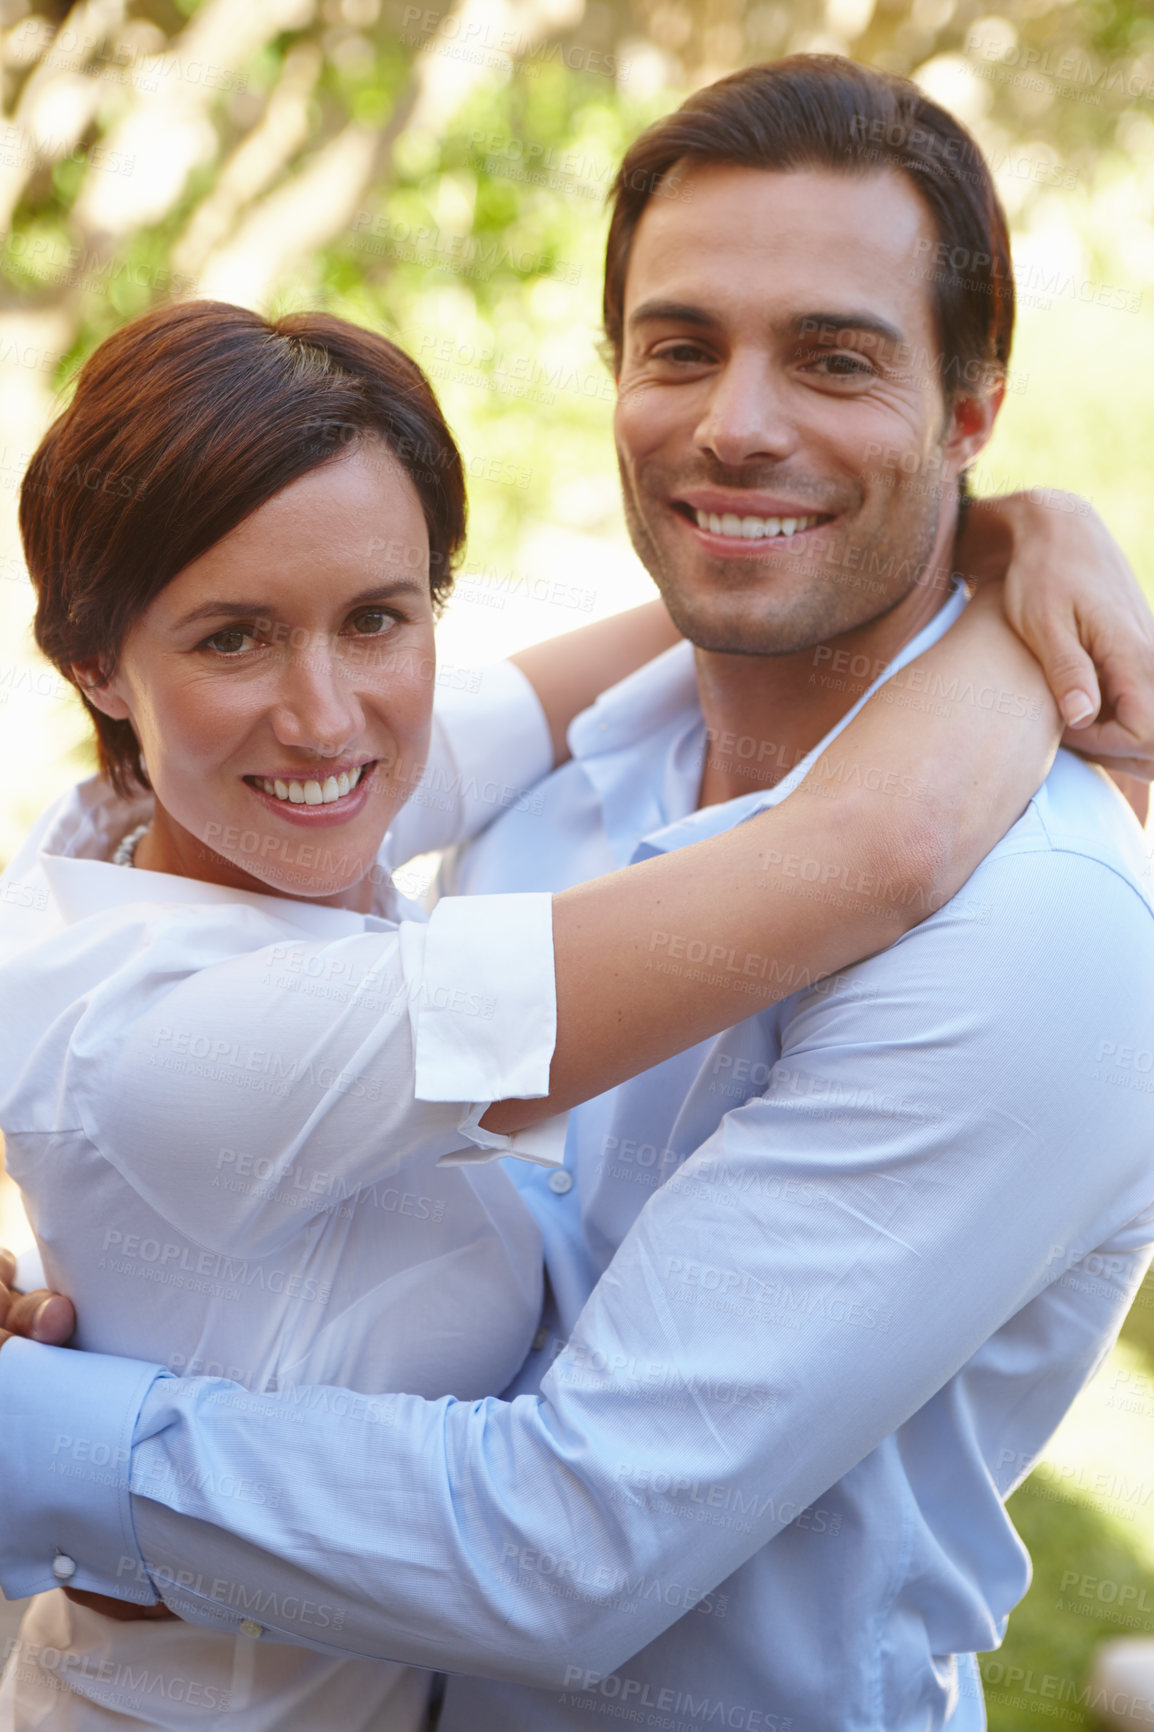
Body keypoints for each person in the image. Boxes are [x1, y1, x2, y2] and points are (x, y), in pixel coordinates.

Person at [0, 53, 1153, 1732]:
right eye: (681, 348)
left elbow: (564, 1547)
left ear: (966, 410)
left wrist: (1019, 537)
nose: (735, 422)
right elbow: (863, 851)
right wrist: (996, 556)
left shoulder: (1037, 935)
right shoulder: (509, 810)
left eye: (833, 359)